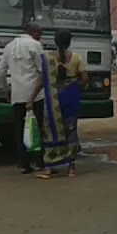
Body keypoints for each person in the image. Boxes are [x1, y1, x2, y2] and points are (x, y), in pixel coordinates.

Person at [0, 22, 46, 173]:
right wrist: (33, 98)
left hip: (17, 95)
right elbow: (42, 72)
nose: (41, 36)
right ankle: (38, 162)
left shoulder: (9, 47)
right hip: (35, 96)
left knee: (20, 130)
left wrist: (6, 90)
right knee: (36, 129)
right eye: (40, 32)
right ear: (33, 32)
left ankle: (23, 164)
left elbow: (1, 73)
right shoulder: (35, 45)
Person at [34, 30, 87, 179]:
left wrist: (30, 99)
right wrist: (76, 87)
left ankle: (49, 168)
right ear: (70, 42)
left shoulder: (47, 58)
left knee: (50, 130)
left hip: (53, 100)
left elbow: (41, 81)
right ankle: (71, 169)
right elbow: (84, 79)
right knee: (71, 130)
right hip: (71, 98)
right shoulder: (77, 58)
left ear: (55, 42)